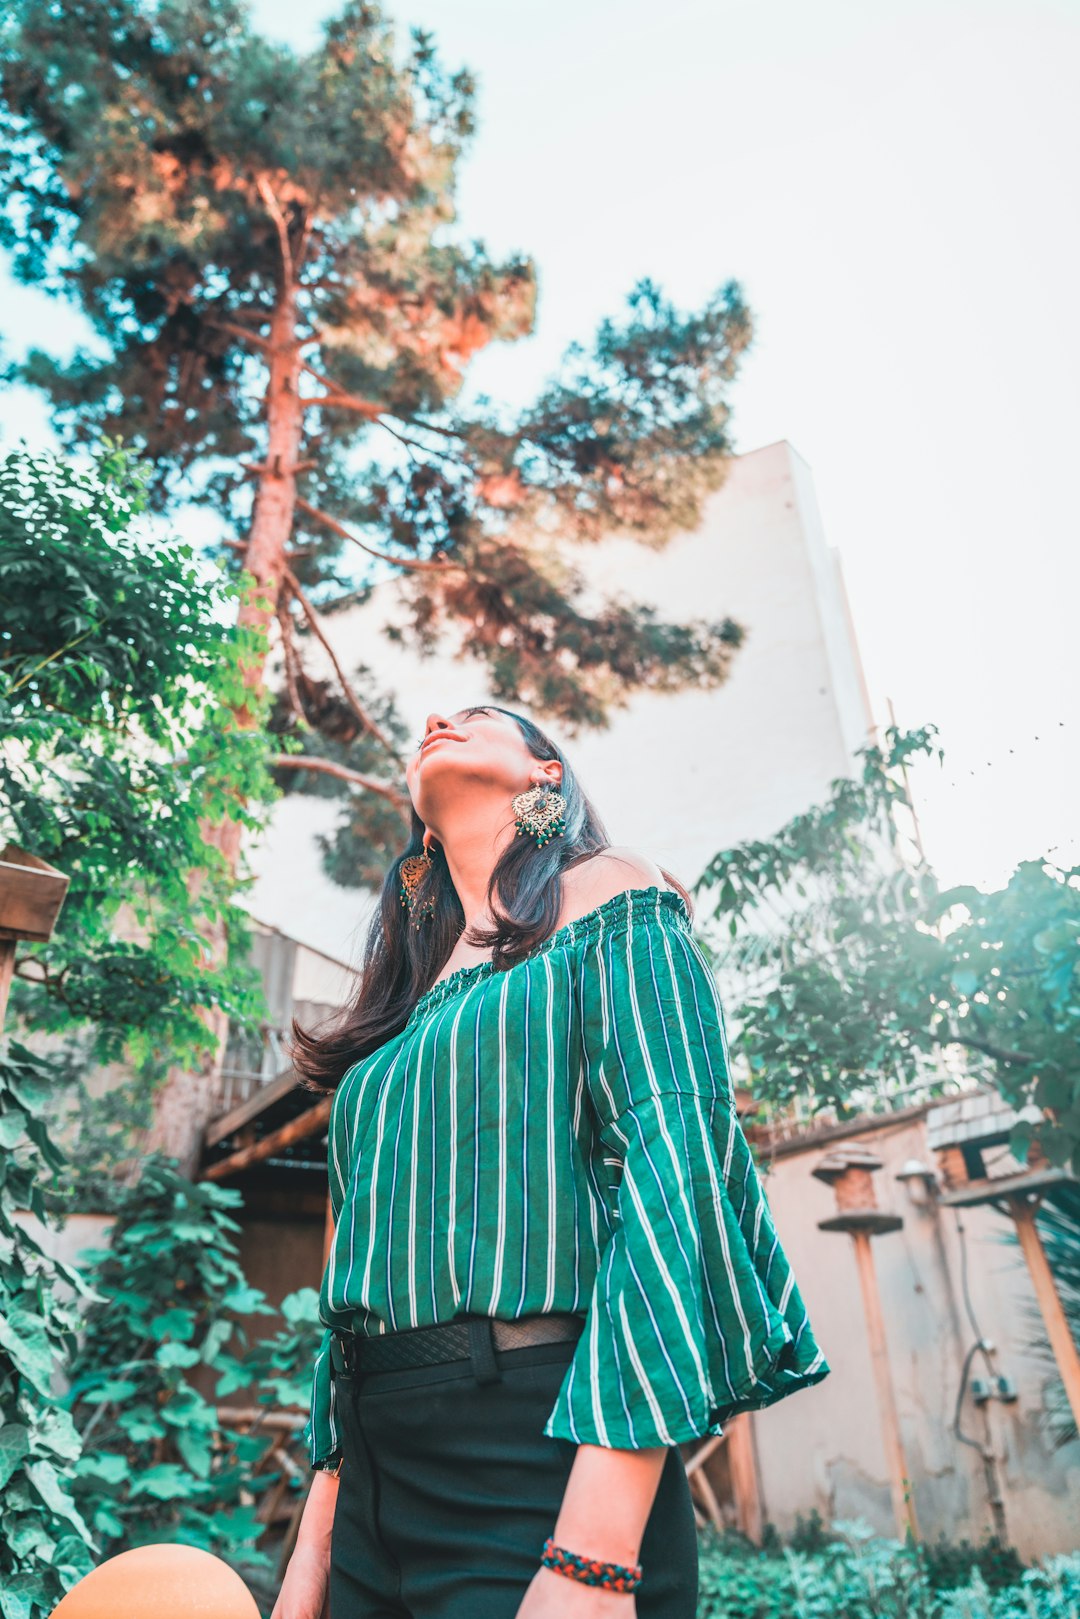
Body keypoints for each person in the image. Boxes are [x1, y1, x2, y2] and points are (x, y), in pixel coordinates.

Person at [272, 704, 831, 1619]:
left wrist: (595, 1557)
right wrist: (315, 1554)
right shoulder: (413, 998)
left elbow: (671, 1172)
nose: (438, 716)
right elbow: (352, 1289)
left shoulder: (614, 894)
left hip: (535, 1457)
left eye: (482, 716)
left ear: (546, 775)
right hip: (373, 1475)